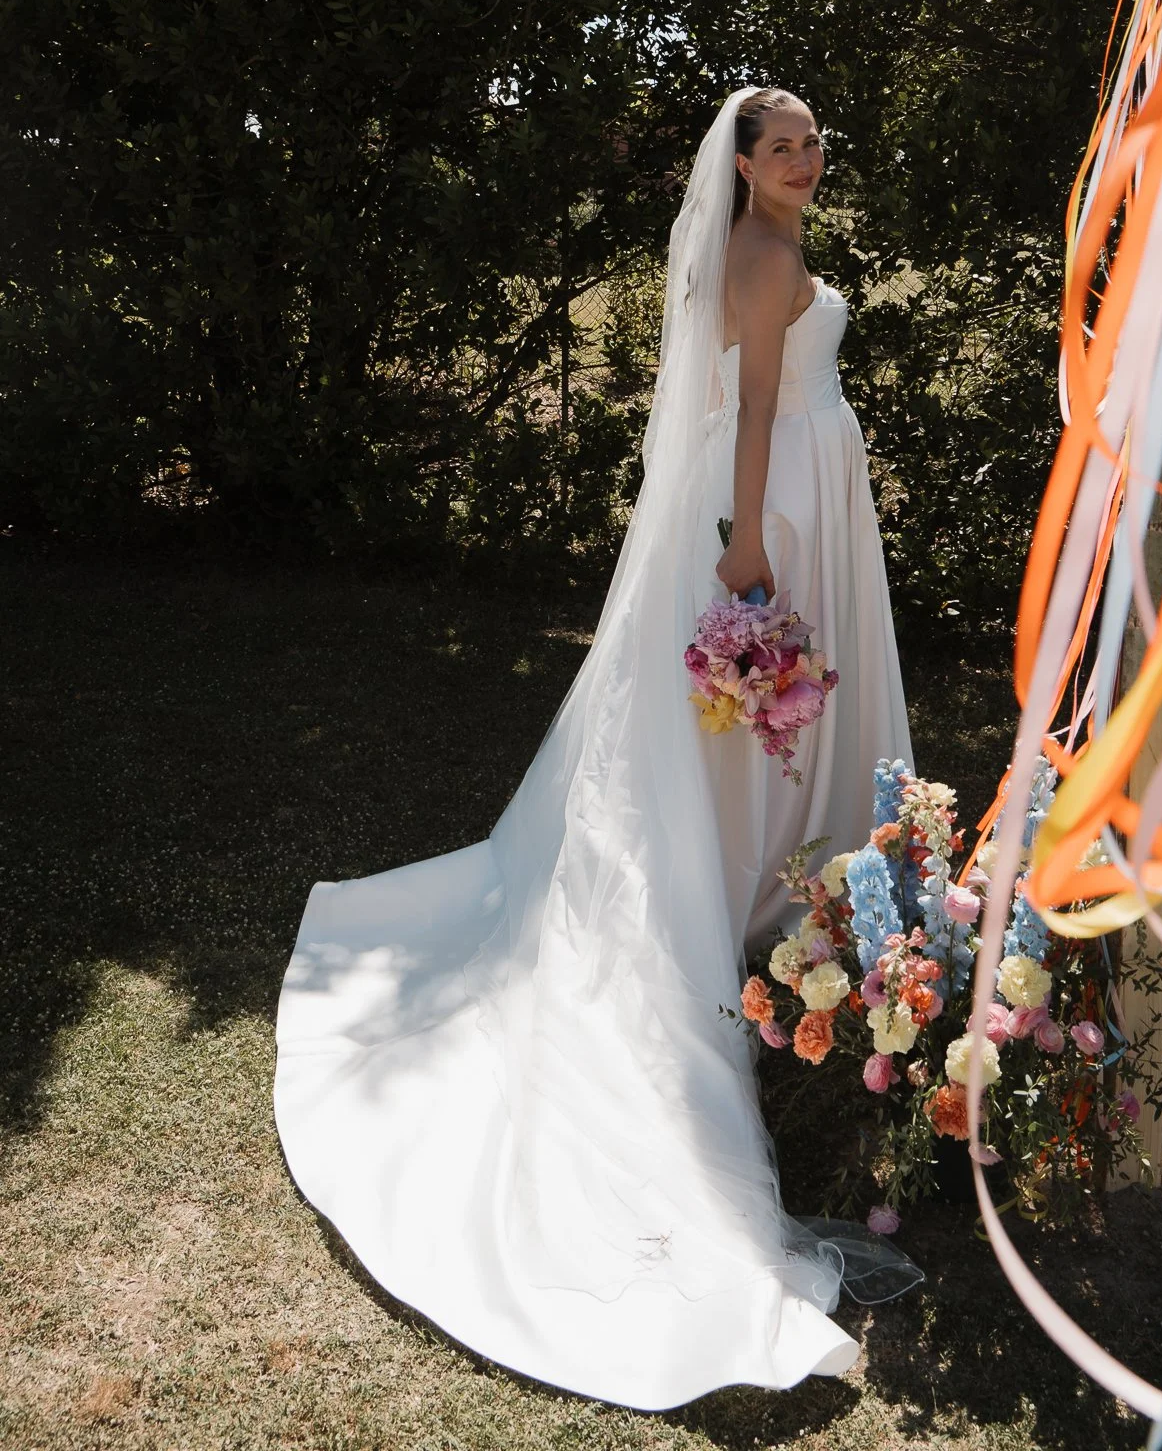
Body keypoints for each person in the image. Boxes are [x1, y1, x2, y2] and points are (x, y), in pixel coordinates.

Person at [273, 86, 918, 1411]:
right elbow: (743, 411)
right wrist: (748, 551)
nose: (804, 154)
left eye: (809, 138)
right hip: (777, 507)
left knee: (762, 740)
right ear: (741, 166)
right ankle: (748, 903)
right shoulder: (763, 251)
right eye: (781, 141)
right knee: (754, 733)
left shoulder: (776, 245)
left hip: (810, 484)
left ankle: (776, 902)